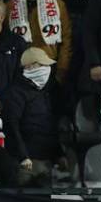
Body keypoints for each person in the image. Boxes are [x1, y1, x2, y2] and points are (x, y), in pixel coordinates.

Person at [4, 47, 61, 188]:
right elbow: (11, 126)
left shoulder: (45, 92)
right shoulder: (16, 92)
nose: (47, 69)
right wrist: (23, 156)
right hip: (26, 163)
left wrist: (58, 154)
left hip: (45, 160)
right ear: (29, 66)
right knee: (21, 199)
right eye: (42, 65)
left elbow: (49, 126)